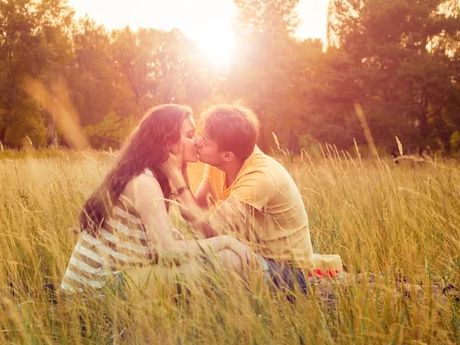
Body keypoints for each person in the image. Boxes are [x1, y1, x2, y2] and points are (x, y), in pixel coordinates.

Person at [60, 104, 253, 294]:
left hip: (114, 279)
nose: (196, 141)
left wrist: (178, 173)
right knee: (228, 260)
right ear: (167, 142)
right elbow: (167, 251)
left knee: (220, 259)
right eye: (189, 135)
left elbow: (168, 239)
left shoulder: (154, 177)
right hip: (96, 292)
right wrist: (226, 241)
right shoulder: (144, 182)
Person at [163, 104, 343, 294]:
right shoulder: (219, 163)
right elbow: (197, 210)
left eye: (205, 141)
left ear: (227, 155)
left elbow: (209, 232)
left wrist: (175, 175)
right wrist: (182, 169)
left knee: (225, 258)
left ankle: (169, 286)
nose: (197, 142)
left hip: (288, 272)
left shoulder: (260, 177)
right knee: (194, 250)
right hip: (252, 257)